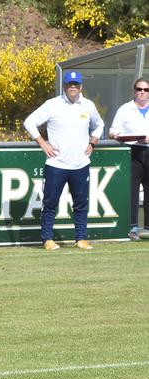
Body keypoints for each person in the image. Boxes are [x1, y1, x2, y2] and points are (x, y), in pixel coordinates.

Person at [23, 70, 104, 251]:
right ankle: (47, 239)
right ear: (64, 86)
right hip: (56, 164)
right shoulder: (52, 105)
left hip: (81, 163)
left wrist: (93, 142)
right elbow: (29, 122)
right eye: (69, 84)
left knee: (81, 203)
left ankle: (81, 238)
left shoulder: (88, 105)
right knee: (50, 203)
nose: (72, 87)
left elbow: (100, 125)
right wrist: (43, 143)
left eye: (76, 84)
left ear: (81, 86)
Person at [108, 77, 149, 241]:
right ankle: (132, 227)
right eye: (139, 89)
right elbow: (113, 129)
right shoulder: (125, 109)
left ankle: (147, 227)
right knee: (132, 191)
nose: (142, 93)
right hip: (133, 152)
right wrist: (114, 135)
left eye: (146, 90)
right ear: (134, 91)